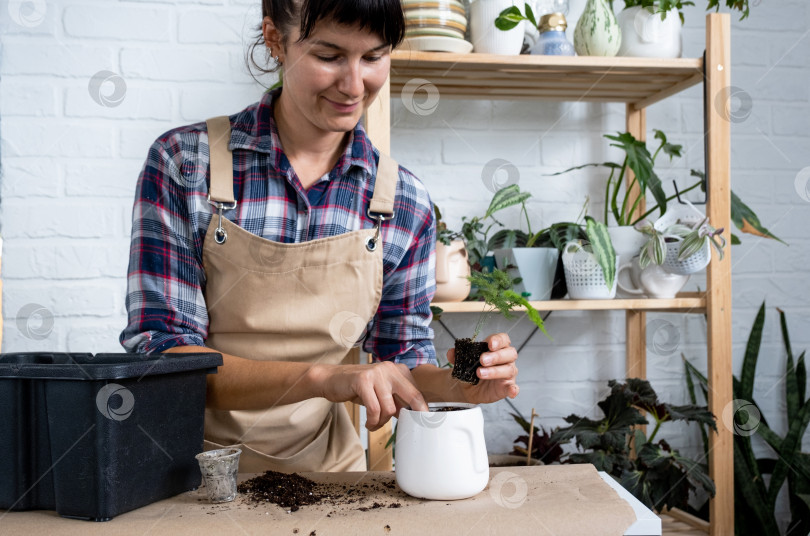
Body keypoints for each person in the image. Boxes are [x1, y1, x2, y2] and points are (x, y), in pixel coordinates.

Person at [120, 0, 520, 473]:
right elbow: (166, 359)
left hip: (327, 478)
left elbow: (405, 356)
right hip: (186, 473)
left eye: (373, 57)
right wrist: (322, 377)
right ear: (275, 40)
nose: (354, 85)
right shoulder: (186, 164)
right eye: (329, 56)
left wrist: (465, 379)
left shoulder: (403, 200)